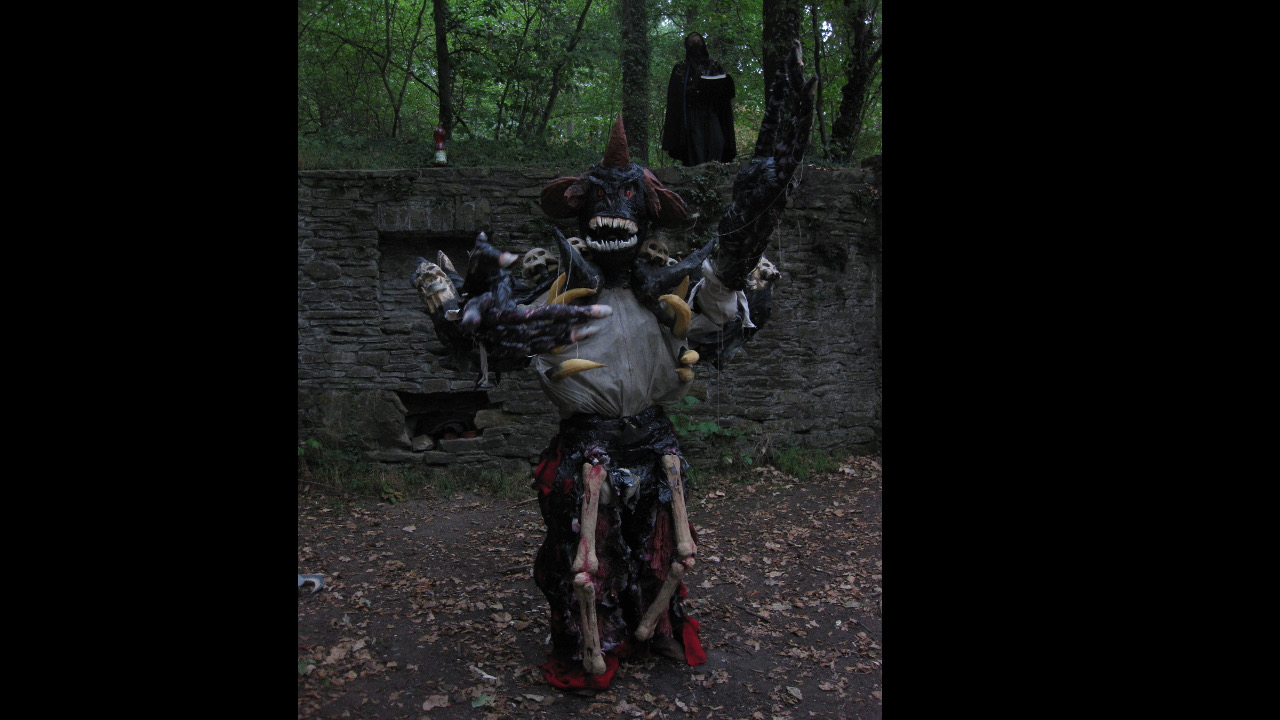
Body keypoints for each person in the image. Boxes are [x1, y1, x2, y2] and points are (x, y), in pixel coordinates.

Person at [661, 32, 736, 166]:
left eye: (699, 41)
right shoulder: (681, 68)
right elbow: (677, 95)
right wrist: (693, 88)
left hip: (712, 111)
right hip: (693, 114)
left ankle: (715, 171)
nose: (696, 44)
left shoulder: (714, 66)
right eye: (693, 42)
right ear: (687, 46)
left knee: (717, 142)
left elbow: (724, 93)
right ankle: (697, 173)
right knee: (697, 146)